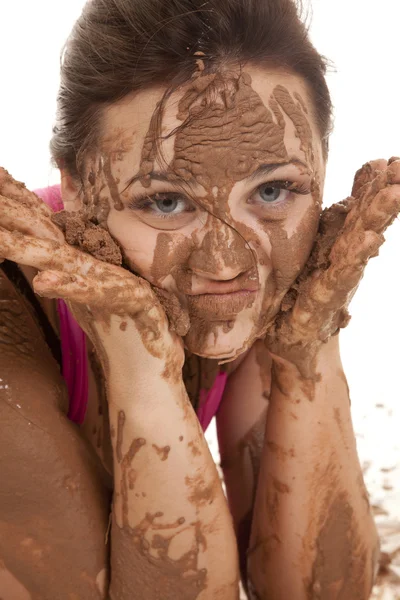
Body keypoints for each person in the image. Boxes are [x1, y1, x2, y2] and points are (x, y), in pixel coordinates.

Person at [0, 0, 398, 597]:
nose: (226, 263)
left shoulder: (264, 286)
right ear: (77, 188)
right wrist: (141, 365)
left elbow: (316, 592)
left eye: (273, 188)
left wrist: (309, 347)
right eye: (165, 201)